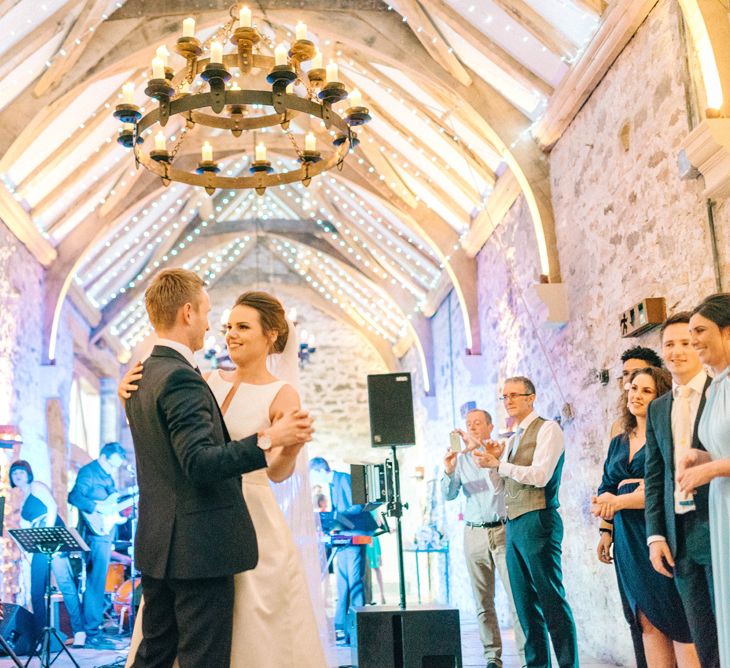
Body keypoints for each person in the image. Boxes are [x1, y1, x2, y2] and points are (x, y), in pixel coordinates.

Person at [122, 270, 314, 667]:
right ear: (189, 312)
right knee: (196, 648)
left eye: (242, 327)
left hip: (246, 524)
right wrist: (127, 389)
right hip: (200, 534)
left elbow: (277, 472)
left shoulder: (281, 391)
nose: (226, 333)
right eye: (226, 324)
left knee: (231, 637)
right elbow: (190, 454)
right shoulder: (201, 379)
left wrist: (287, 445)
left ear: (272, 336)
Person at [593, 368, 700, 666]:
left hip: (655, 532)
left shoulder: (666, 436)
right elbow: (606, 486)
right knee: (646, 620)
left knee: (677, 620)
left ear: (661, 396)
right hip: (626, 539)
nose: (636, 395)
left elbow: (661, 488)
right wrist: (606, 528)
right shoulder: (618, 441)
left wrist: (618, 500)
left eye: (646, 391)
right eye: (633, 388)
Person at [473, 376, 578, 668]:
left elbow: (541, 475)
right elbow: (500, 488)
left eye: (514, 396)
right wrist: (493, 465)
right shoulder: (511, 439)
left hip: (539, 520)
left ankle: (569, 664)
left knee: (551, 600)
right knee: (524, 606)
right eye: (504, 397)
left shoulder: (548, 429)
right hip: (514, 524)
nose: (508, 401)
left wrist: (501, 464)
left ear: (531, 397)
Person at [644, 312, 719, 667]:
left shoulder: (720, 390)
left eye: (686, 342)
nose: (677, 351)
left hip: (719, 522)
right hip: (680, 535)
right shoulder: (659, 408)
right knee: (702, 635)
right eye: (669, 344)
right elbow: (654, 474)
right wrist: (656, 534)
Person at [442, 408, 525, 668]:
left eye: (478, 423)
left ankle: (526, 658)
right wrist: (448, 470)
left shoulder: (499, 451)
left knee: (516, 596)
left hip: (501, 530)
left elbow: (499, 488)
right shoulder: (459, 459)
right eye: (469, 424)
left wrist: (480, 449)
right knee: (482, 601)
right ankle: (492, 657)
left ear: (490, 426)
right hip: (473, 533)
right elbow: (449, 494)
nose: (473, 427)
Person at [680, 293, 730, 666]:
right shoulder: (717, 387)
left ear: (727, 332)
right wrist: (703, 457)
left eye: (700, 331)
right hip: (722, 506)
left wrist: (710, 469)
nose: (693, 340)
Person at [9, 460, 85, 648]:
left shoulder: (36, 486)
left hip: (52, 537)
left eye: (21, 471)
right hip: (39, 543)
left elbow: (52, 507)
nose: (17, 475)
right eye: (14, 473)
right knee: (36, 591)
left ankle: (79, 632)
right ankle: (41, 636)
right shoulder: (23, 497)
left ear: (28, 473)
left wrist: (49, 534)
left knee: (65, 584)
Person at [67, 441, 128, 649]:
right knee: (95, 583)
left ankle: (94, 629)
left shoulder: (107, 477)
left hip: (105, 534)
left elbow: (112, 502)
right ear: (103, 458)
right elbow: (74, 496)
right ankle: (91, 631)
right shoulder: (89, 472)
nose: (113, 469)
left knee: (99, 582)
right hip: (94, 534)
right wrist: (96, 508)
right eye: (112, 464)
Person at [310, 456, 370, 646]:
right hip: (344, 536)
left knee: (354, 583)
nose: (314, 481)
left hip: (355, 533)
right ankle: (342, 630)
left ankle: (361, 630)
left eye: (313, 475)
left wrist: (338, 516)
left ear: (320, 471)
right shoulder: (332, 485)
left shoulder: (343, 479)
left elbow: (359, 505)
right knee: (343, 584)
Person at [609, 346, 664, 439]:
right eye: (625, 373)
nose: (629, 379)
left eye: (637, 372)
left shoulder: (663, 425)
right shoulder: (618, 427)